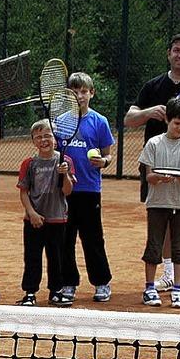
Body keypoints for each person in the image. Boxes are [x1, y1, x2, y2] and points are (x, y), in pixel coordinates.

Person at [124, 32, 180, 292]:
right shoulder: (153, 86)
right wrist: (148, 113)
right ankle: (170, 274)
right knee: (162, 216)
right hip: (157, 162)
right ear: (169, 54)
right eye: (177, 50)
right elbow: (129, 118)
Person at [61, 72, 115, 302]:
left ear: (91, 93)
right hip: (65, 191)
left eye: (84, 91)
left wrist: (103, 162)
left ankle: (102, 283)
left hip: (90, 189)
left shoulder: (99, 121)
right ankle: (68, 284)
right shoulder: (60, 121)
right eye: (75, 91)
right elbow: (54, 152)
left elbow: (108, 155)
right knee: (65, 239)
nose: (80, 95)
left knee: (93, 239)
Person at [16, 119, 75, 306]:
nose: (44, 140)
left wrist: (64, 173)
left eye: (47, 135)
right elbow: (24, 192)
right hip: (34, 220)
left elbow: (67, 191)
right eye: (38, 137)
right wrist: (31, 213)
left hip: (57, 218)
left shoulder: (65, 161)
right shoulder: (29, 163)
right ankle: (30, 292)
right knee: (32, 257)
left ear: (55, 139)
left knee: (56, 257)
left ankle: (56, 291)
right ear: (33, 141)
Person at [137, 97, 180, 307]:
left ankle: (178, 289)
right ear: (167, 119)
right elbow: (149, 176)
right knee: (154, 246)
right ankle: (149, 288)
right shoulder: (154, 143)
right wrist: (160, 177)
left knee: (179, 249)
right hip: (157, 204)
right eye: (177, 123)